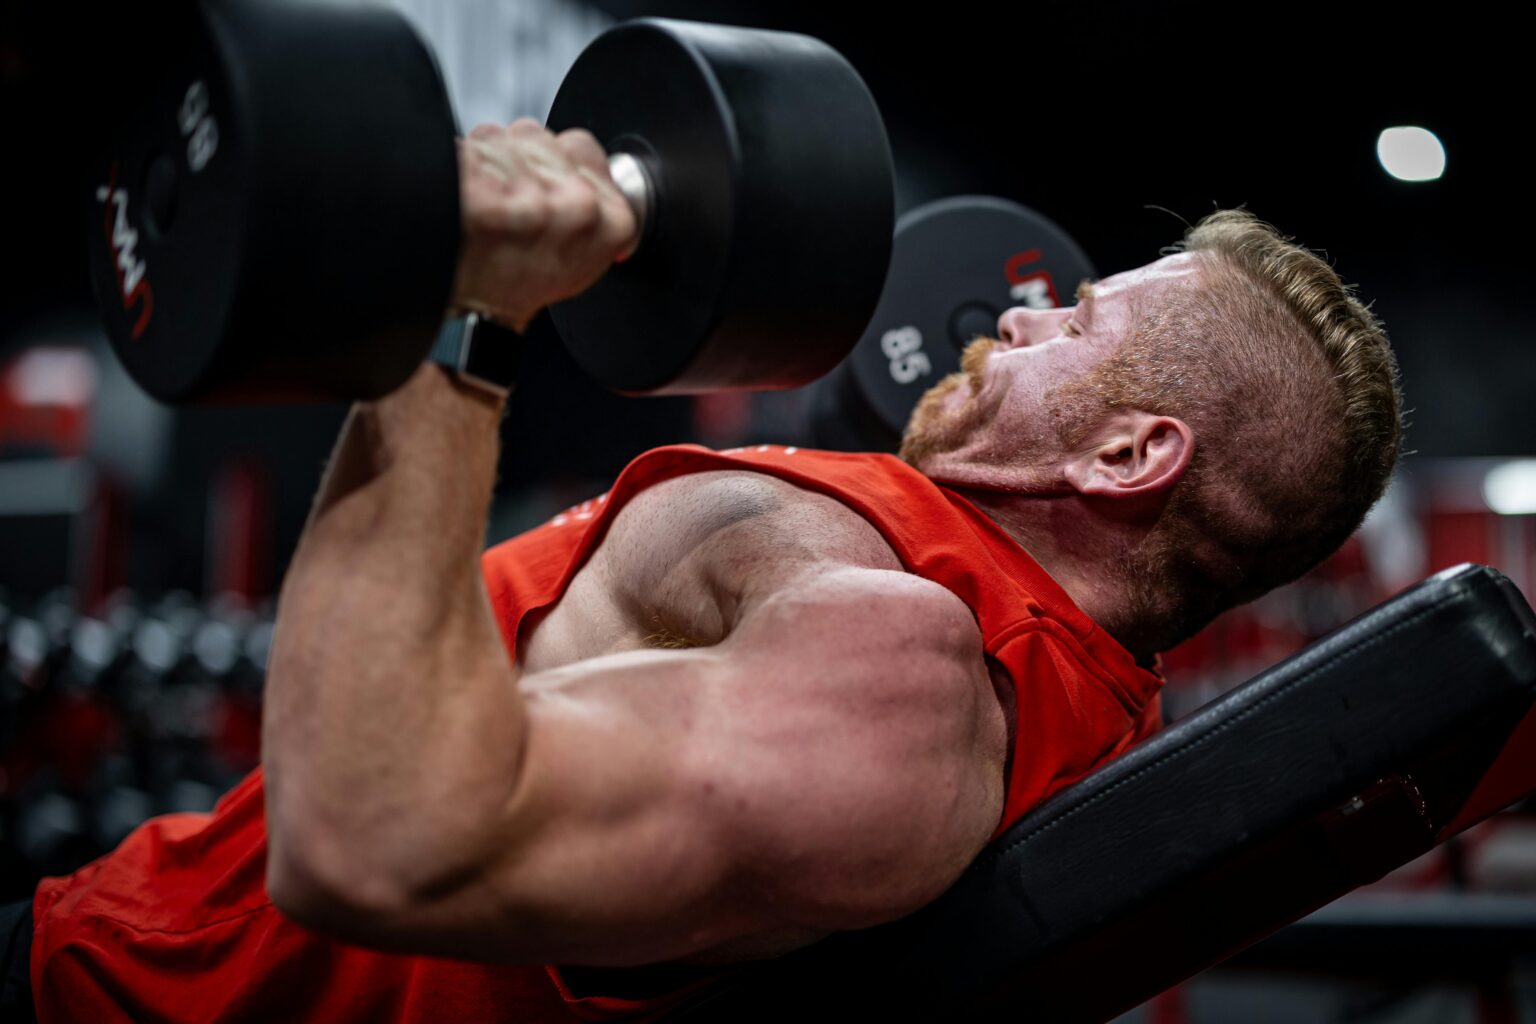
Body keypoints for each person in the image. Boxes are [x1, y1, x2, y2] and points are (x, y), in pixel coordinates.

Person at [6, 120, 1402, 1022]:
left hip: (109, 1001)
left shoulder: (899, 683)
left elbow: (375, 839)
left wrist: (463, 321)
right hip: (113, 941)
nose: (1021, 319)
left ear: (1124, 460)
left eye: (1076, 323)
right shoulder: (944, 592)